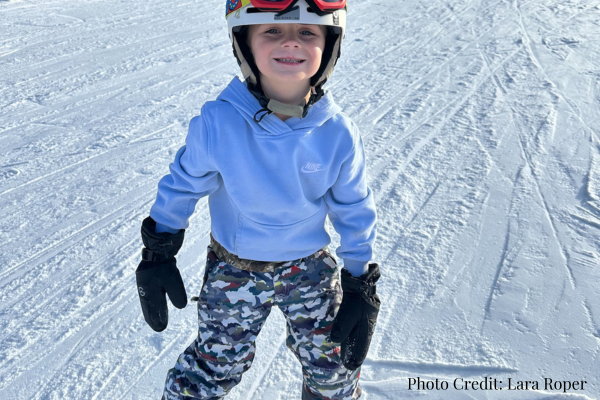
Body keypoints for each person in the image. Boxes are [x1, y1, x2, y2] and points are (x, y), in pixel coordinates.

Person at [134, 1, 381, 399]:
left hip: (309, 270)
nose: (291, 43)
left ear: (329, 44)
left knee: (333, 367)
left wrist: (359, 281)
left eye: (307, 32)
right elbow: (183, 184)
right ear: (244, 42)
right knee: (213, 367)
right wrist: (159, 249)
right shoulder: (219, 122)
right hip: (236, 270)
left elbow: (354, 208)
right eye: (271, 31)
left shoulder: (337, 132)